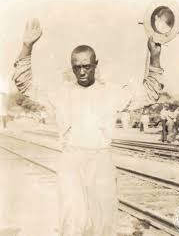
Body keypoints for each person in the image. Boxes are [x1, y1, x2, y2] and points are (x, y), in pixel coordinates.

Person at [12, 19, 164, 236]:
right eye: (76, 67)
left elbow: (149, 93)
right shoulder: (61, 92)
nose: (81, 71)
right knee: (72, 222)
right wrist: (27, 46)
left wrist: (156, 56)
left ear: (95, 64)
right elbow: (25, 85)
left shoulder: (112, 92)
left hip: (101, 160)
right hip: (71, 161)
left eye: (86, 66)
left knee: (105, 223)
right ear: (71, 66)